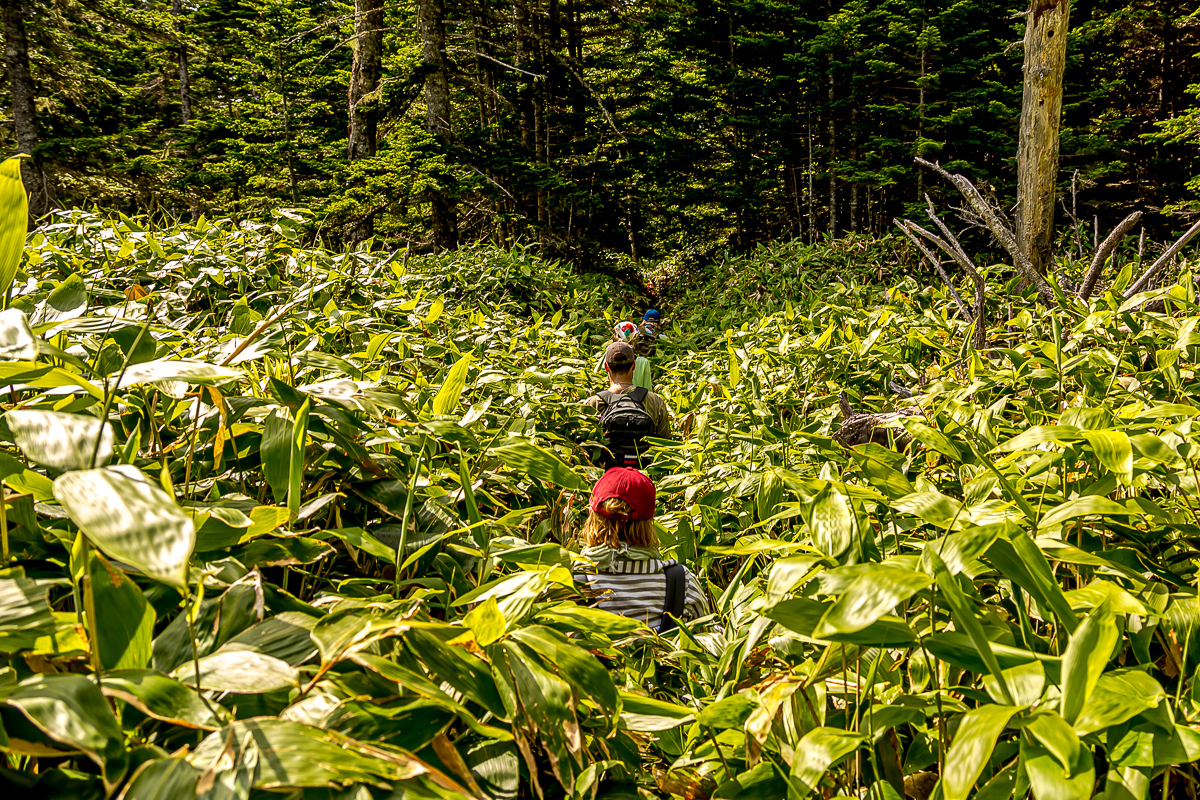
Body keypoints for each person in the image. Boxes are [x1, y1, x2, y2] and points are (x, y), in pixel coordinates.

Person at [574, 467, 708, 632]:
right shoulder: (683, 584)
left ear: (593, 518)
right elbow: (710, 645)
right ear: (649, 522)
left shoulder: (569, 581)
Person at [585, 341, 671, 469]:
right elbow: (666, 447)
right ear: (634, 365)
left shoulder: (593, 403)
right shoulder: (655, 401)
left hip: (605, 481)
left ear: (606, 367)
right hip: (643, 479)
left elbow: (584, 452)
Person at [595, 320, 652, 391]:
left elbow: (595, 376)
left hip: (611, 398)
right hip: (637, 399)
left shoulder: (608, 356)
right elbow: (647, 390)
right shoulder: (643, 362)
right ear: (634, 339)